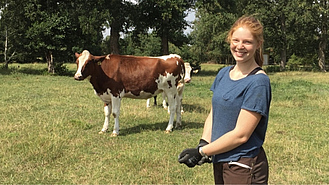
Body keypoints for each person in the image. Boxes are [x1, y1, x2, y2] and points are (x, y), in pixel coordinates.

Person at [178, 15, 272, 184]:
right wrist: (203, 143)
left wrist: (202, 152)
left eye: (247, 42)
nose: (240, 46)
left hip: (243, 165)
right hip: (221, 160)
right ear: (229, 40)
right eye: (236, 40)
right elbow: (214, 113)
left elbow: (241, 135)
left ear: (258, 44)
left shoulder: (258, 82)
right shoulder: (223, 73)